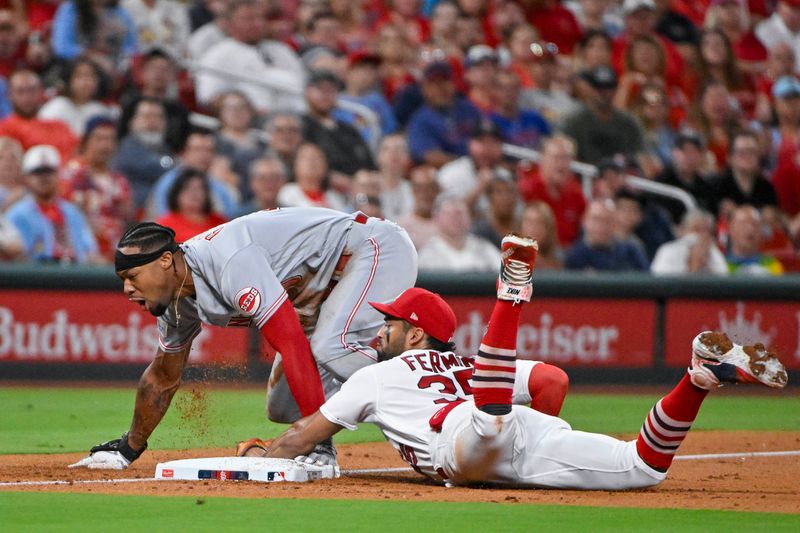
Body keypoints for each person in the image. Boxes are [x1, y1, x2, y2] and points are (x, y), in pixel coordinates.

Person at [233, 235, 787, 490]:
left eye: (391, 322)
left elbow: (303, 435)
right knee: (643, 467)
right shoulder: (469, 363)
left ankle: (509, 294)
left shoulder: (376, 374)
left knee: (488, 421)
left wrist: (263, 453)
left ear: (415, 332)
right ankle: (697, 376)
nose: (381, 329)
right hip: (513, 435)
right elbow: (551, 378)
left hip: (465, 438)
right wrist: (541, 427)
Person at [68, 206, 419, 470]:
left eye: (132, 276)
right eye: (122, 280)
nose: (127, 289)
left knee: (332, 346)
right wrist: (128, 448)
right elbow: (163, 375)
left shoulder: (228, 262)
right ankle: (415, 389)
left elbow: (292, 342)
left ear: (164, 261)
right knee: (283, 408)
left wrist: (315, 441)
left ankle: (432, 388)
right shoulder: (176, 304)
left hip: (371, 249)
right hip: (319, 294)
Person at [5, 144, 100, 263]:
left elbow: (90, 251)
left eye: (48, 171)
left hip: (75, 276)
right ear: (26, 178)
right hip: (36, 278)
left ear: (58, 175)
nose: (44, 177)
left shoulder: (72, 212)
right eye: (37, 172)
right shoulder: (16, 215)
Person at [61, 116, 135, 260]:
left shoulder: (120, 181)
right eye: (99, 139)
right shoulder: (72, 174)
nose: (105, 145)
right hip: (82, 253)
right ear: (86, 141)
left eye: (110, 139)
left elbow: (128, 217)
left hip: (117, 254)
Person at [0, 69, 79, 161]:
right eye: (20, 91)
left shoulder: (60, 126)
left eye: (31, 90)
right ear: (10, 95)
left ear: (41, 92)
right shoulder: (5, 130)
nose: (27, 97)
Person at [417, 195, 501, 272]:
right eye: (449, 214)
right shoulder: (428, 254)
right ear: (437, 218)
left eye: (460, 213)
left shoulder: (484, 248)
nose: (456, 218)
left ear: (470, 217)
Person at [565, 199, 650, 272]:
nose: (601, 226)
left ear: (615, 223)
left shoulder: (632, 251)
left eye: (607, 220)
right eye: (596, 219)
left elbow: (648, 282)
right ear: (584, 221)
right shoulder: (573, 256)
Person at [651, 210, 728, 275]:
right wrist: (694, 264)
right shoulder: (668, 251)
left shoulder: (714, 253)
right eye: (696, 229)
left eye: (706, 230)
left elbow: (723, 283)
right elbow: (660, 285)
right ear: (683, 231)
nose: (701, 235)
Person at [725, 205, 784, 276]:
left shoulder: (772, 265)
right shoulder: (721, 265)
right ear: (731, 229)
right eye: (743, 224)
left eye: (755, 224)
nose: (750, 229)